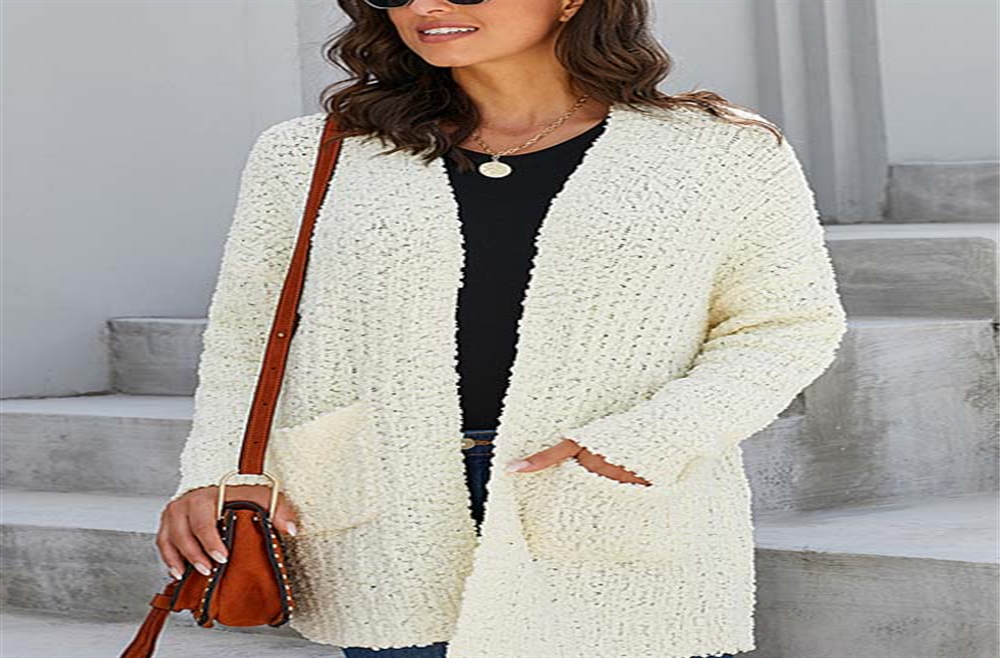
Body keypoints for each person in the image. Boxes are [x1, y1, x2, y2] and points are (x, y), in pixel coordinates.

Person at [155, 1, 848, 657]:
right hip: (388, 507)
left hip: (603, 490)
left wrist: (643, 443)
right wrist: (216, 471)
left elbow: (786, 325)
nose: (426, 6)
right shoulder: (309, 153)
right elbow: (247, 335)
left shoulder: (719, 149)